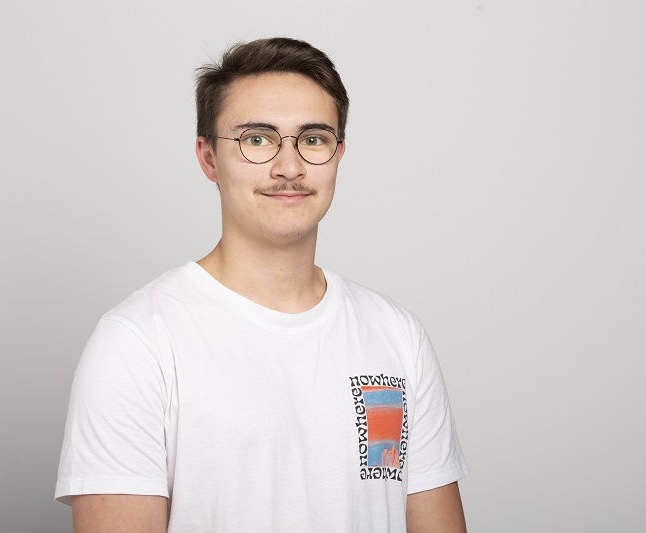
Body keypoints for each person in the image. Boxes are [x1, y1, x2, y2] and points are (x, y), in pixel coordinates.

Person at [55, 37, 468, 533]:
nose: (289, 167)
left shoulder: (398, 336)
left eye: (313, 139)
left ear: (338, 154)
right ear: (209, 157)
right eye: (256, 139)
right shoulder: (137, 343)